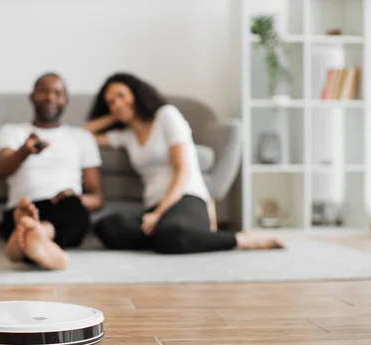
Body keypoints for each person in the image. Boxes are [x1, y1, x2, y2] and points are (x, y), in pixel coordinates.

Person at [84, 72, 284, 253]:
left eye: (121, 95)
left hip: (185, 199)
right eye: (110, 102)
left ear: (136, 93)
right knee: (107, 227)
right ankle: (181, 236)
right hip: (153, 207)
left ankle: (240, 240)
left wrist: (160, 212)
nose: (117, 103)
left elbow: (182, 170)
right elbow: (81, 134)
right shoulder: (126, 136)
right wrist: (113, 115)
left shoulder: (166, 116)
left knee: (175, 234)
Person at [0, 72, 104, 270]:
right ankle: (34, 236)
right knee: (21, 215)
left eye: (57, 93)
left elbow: (97, 198)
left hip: (66, 207)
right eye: (44, 91)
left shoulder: (82, 137)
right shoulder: (12, 131)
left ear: (66, 99)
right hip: (25, 206)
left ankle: (31, 236)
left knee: (75, 209)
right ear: (32, 97)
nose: (50, 97)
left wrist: (77, 197)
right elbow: (1, 170)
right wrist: (25, 151)